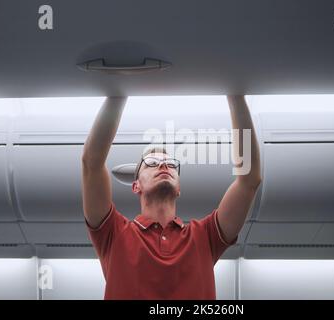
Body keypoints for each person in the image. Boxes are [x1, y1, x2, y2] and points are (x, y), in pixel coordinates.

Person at [81, 95, 261, 299]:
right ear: (136, 185)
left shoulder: (204, 236)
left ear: (179, 189)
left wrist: (236, 97)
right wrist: (118, 94)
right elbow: (91, 163)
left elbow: (249, 181)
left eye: (171, 164)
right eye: (151, 163)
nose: (163, 165)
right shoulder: (113, 234)